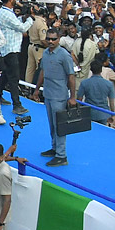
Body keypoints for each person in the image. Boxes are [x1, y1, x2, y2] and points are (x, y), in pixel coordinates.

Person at [35, 28, 77, 166]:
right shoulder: (46, 53)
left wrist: (72, 97)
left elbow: (71, 76)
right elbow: (43, 71)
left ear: (59, 39)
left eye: (53, 39)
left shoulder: (64, 55)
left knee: (59, 126)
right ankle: (55, 148)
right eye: (48, 39)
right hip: (48, 95)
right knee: (52, 125)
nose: (51, 41)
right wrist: (36, 90)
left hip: (59, 96)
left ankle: (62, 155)